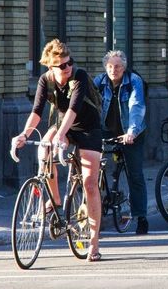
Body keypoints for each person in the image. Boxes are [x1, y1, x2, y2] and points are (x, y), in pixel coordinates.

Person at [11, 39, 102, 262]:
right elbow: (37, 111)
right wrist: (24, 134)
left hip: (88, 128)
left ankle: (94, 243)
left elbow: (73, 109)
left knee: (90, 183)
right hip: (62, 124)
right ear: (50, 67)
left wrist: (61, 136)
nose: (66, 68)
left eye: (68, 63)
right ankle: (56, 201)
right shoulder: (46, 80)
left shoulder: (78, 77)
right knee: (44, 150)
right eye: (60, 66)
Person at [94, 50, 148, 235]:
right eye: (109, 66)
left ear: (123, 67)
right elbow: (87, 103)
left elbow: (136, 106)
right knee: (91, 171)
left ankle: (141, 217)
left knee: (135, 174)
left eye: (117, 66)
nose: (113, 70)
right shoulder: (99, 82)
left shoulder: (133, 81)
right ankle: (91, 215)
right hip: (105, 130)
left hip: (130, 132)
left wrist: (132, 131)